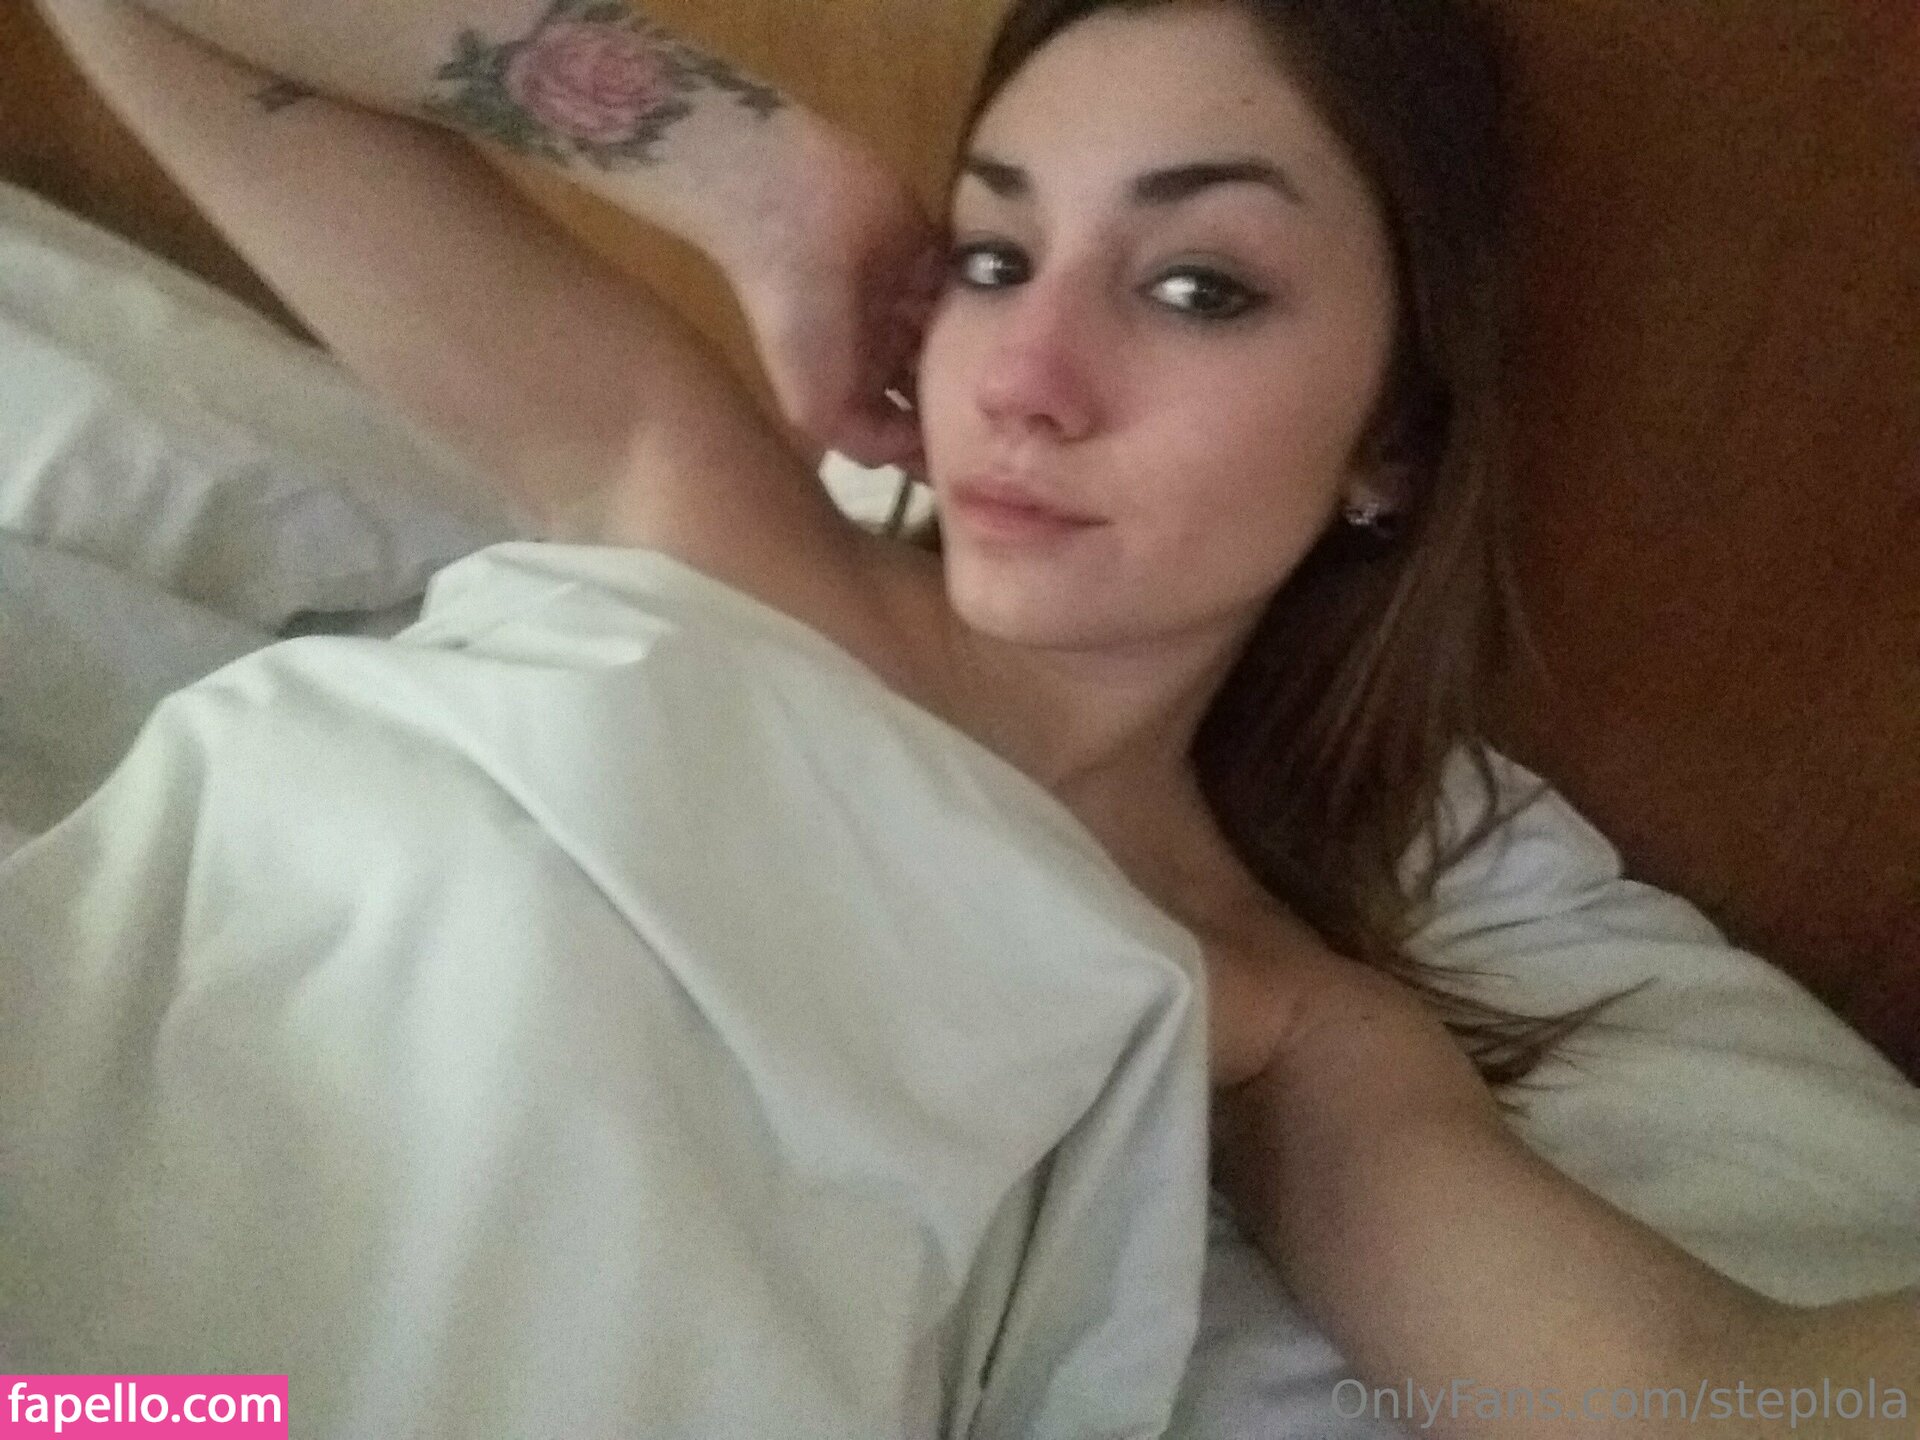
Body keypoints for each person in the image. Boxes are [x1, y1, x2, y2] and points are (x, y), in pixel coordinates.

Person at [20, 0, 1919, 1434]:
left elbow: (1712, 1408)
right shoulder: (677, 483)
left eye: (1197, 286)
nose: (1025, 377)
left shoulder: (1268, 1012)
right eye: (994, 258)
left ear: (1393, 439)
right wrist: (756, 174)